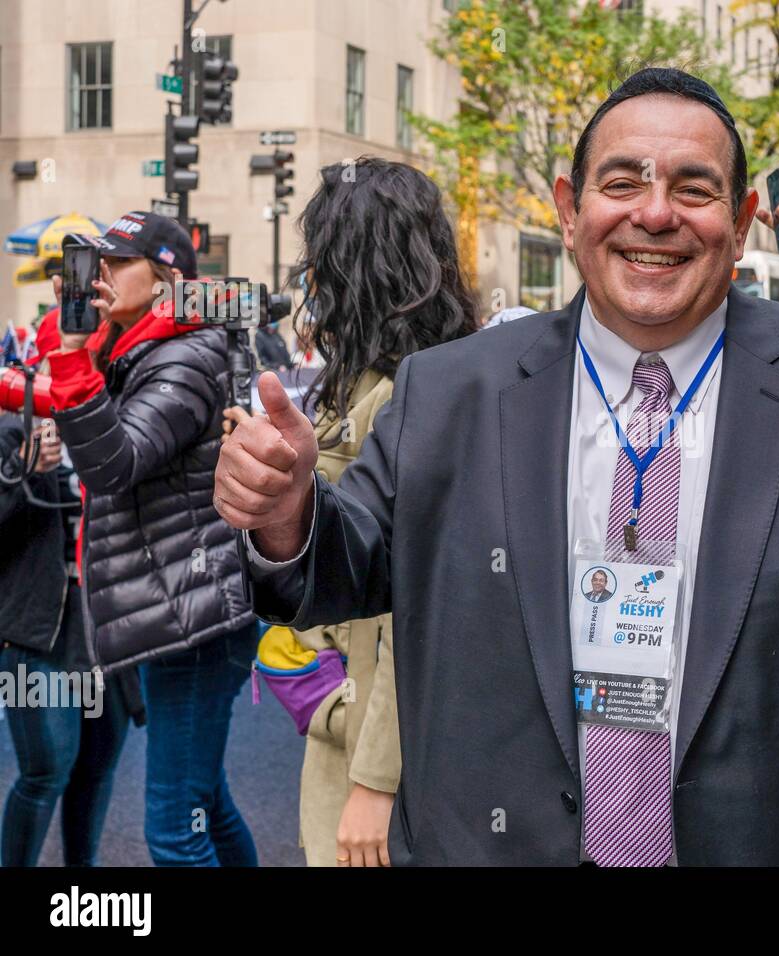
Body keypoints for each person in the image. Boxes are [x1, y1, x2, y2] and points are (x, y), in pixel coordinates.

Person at [216, 68, 779, 866]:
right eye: (622, 181)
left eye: (695, 188)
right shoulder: (450, 391)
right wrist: (289, 512)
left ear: (741, 221)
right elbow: (348, 562)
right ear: (567, 206)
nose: (654, 212)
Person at [227, 157, 478, 868]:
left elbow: (419, 606)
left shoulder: (408, 396)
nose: (310, 277)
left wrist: (376, 779)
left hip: (379, 751)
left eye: (321, 254)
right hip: (348, 716)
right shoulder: (376, 384)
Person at [44, 212, 259, 866]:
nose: (98, 275)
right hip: (182, 608)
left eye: (115, 263)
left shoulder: (185, 353)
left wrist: (75, 361)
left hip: (194, 623)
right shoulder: (138, 344)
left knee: (174, 831)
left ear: (167, 277)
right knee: (205, 799)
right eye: (94, 263)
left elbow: (114, 465)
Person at [0, 313, 141, 866]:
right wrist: (22, 468)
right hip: (39, 631)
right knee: (47, 770)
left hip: (110, 623)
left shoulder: (121, 417)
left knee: (97, 767)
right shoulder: (14, 422)